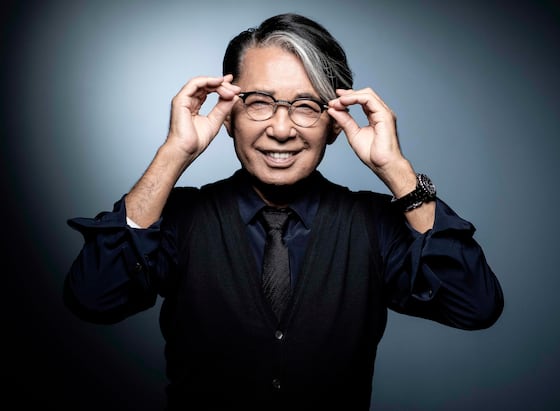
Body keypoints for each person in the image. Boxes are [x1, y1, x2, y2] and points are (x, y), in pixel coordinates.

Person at [64, 12, 504, 410]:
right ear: (228, 115)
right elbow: (94, 297)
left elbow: (474, 305)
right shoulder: (180, 219)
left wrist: (396, 170)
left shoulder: (374, 226)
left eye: (306, 106)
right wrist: (173, 153)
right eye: (259, 102)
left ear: (335, 123)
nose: (280, 129)